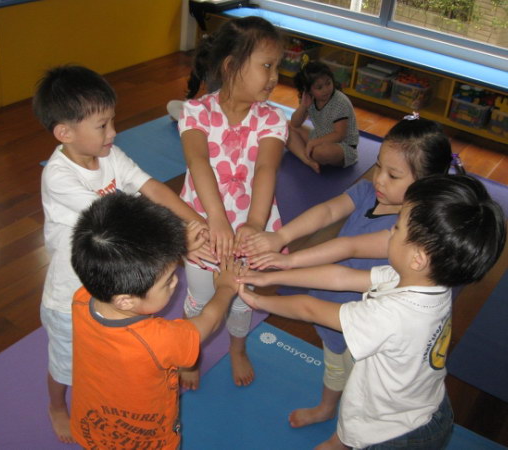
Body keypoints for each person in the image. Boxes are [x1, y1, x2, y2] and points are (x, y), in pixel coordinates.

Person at [238, 174, 506, 449]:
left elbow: (310, 309)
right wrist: (271, 277)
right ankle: (339, 441)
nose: (389, 231)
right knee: (359, 411)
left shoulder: (395, 315)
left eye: (397, 228)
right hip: (425, 405)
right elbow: (341, 278)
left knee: (363, 420)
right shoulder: (427, 282)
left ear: (418, 258)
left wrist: (259, 301)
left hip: (395, 434)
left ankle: (342, 442)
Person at [241, 117, 461, 435]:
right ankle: (327, 407)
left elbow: (348, 247)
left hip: (370, 321)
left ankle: (344, 433)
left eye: (393, 175)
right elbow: (328, 212)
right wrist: (282, 238)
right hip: (333, 293)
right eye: (379, 166)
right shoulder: (368, 192)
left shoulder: (412, 233)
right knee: (334, 363)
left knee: (361, 383)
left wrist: (286, 263)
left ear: (426, 184)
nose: (379, 179)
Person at [32, 65, 213, 443]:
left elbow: (153, 188)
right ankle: (56, 405)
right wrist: (179, 243)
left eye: (112, 121)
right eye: (102, 126)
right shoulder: (59, 178)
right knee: (65, 365)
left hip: (113, 289)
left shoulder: (110, 155)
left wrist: (197, 221)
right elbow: (120, 226)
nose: (113, 132)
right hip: (70, 297)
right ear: (65, 133)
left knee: (112, 363)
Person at [69, 192, 241, 449]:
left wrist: (175, 248)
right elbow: (210, 321)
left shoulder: (83, 298)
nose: (176, 282)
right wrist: (225, 288)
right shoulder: (159, 340)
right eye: (168, 281)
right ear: (125, 301)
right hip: (147, 439)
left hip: (92, 425)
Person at [177, 16, 288, 389]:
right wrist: (217, 218)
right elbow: (198, 161)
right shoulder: (196, 112)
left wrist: (255, 224)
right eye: (267, 66)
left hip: (247, 232)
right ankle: (190, 354)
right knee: (199, 297)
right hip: (205, 229)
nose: (274, 77)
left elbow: (266, 169)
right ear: (230, 66)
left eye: (278, 67)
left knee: (241, 299)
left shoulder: (272, 118)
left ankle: (237, 348)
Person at [286, 61, 359, 173]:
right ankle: (307, 160)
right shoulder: (310, 99)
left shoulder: (340, 102)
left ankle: (307, 151)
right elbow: (295, 124)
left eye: (328, 83)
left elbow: (339, 135)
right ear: (308, 90)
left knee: (322, 152)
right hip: (320, 136)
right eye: (319, 87)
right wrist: (303, 106)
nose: (325, 89)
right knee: (285, 127)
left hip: (343, 146)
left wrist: (313, 143)